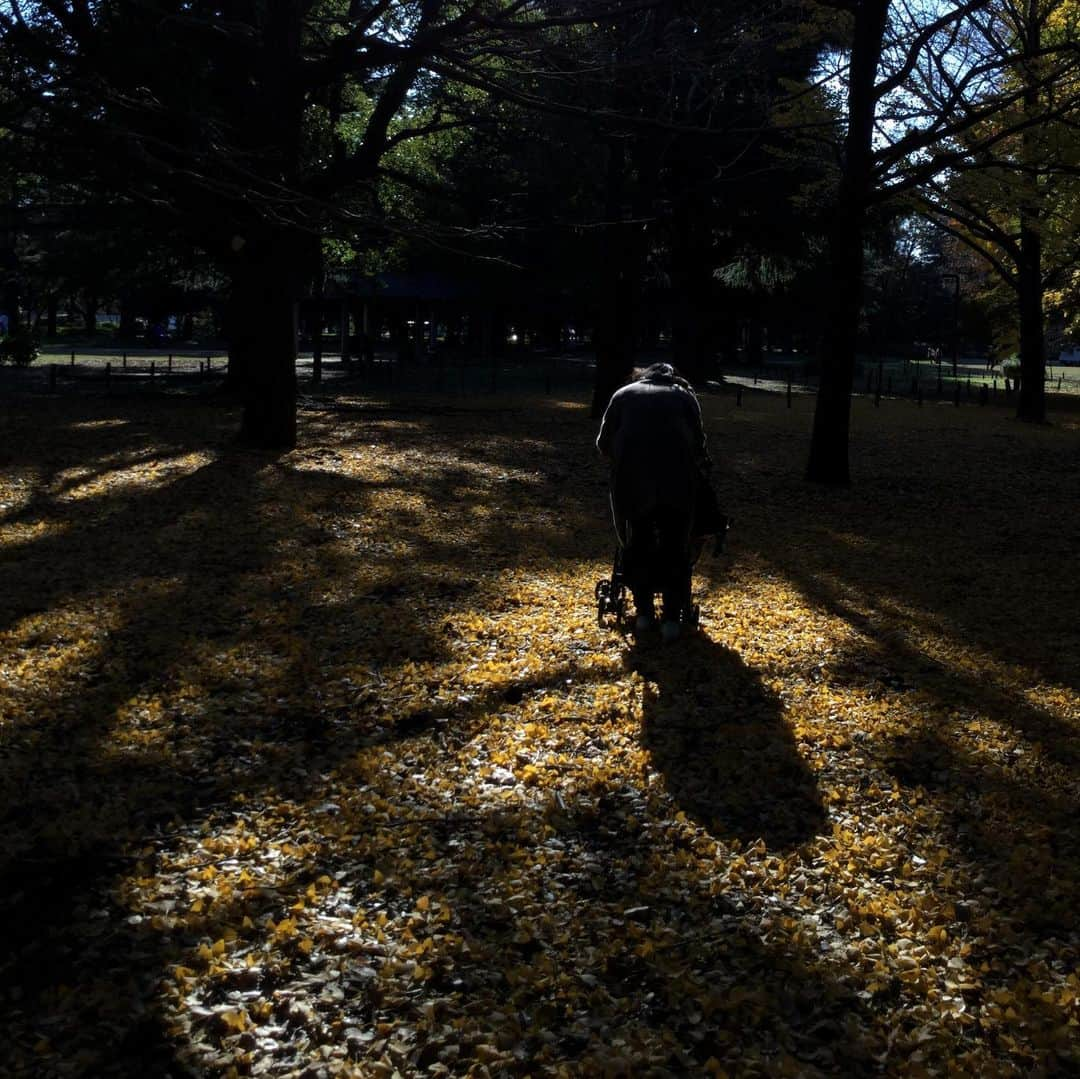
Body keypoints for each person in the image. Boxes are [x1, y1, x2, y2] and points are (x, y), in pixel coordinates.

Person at [596, 363, 725, 641]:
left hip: (633, 484)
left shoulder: (622, 394)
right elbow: (699, 444)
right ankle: (670, 619)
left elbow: (602, 443)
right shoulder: (684, 397)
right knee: (676, 546)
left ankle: (643, 614)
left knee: (637, 541)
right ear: (673, 378)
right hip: (676, 483)